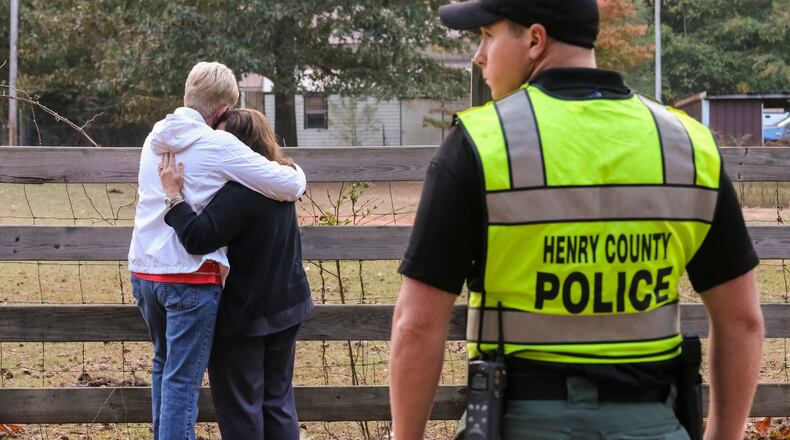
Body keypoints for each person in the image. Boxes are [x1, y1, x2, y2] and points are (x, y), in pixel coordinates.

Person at [389, 1, 764, 439]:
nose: (479, 56)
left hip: (518, 424)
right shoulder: (688, 145)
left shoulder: (480, 143)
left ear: (535, 40)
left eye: (488, 36)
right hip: (654, 422)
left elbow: (417, 324)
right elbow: (742, 320)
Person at [128, 62, 306, 440]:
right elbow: (289, 186)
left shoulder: (154, 138)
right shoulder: (218, 144)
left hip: (144, 272)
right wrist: (295, 171)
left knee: (163, 365)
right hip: (189, 277)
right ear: (224, 109)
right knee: (182, 381)